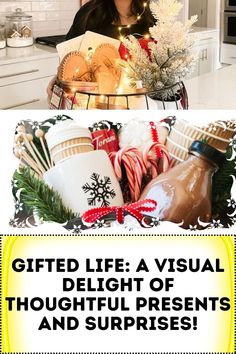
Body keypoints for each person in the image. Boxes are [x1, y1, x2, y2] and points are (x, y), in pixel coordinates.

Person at [47, 0, 154, 101]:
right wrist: (58, 80)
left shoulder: (156, 15)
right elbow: (71, 59)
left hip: (145, 103)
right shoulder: (88, 14)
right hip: (95, 105)